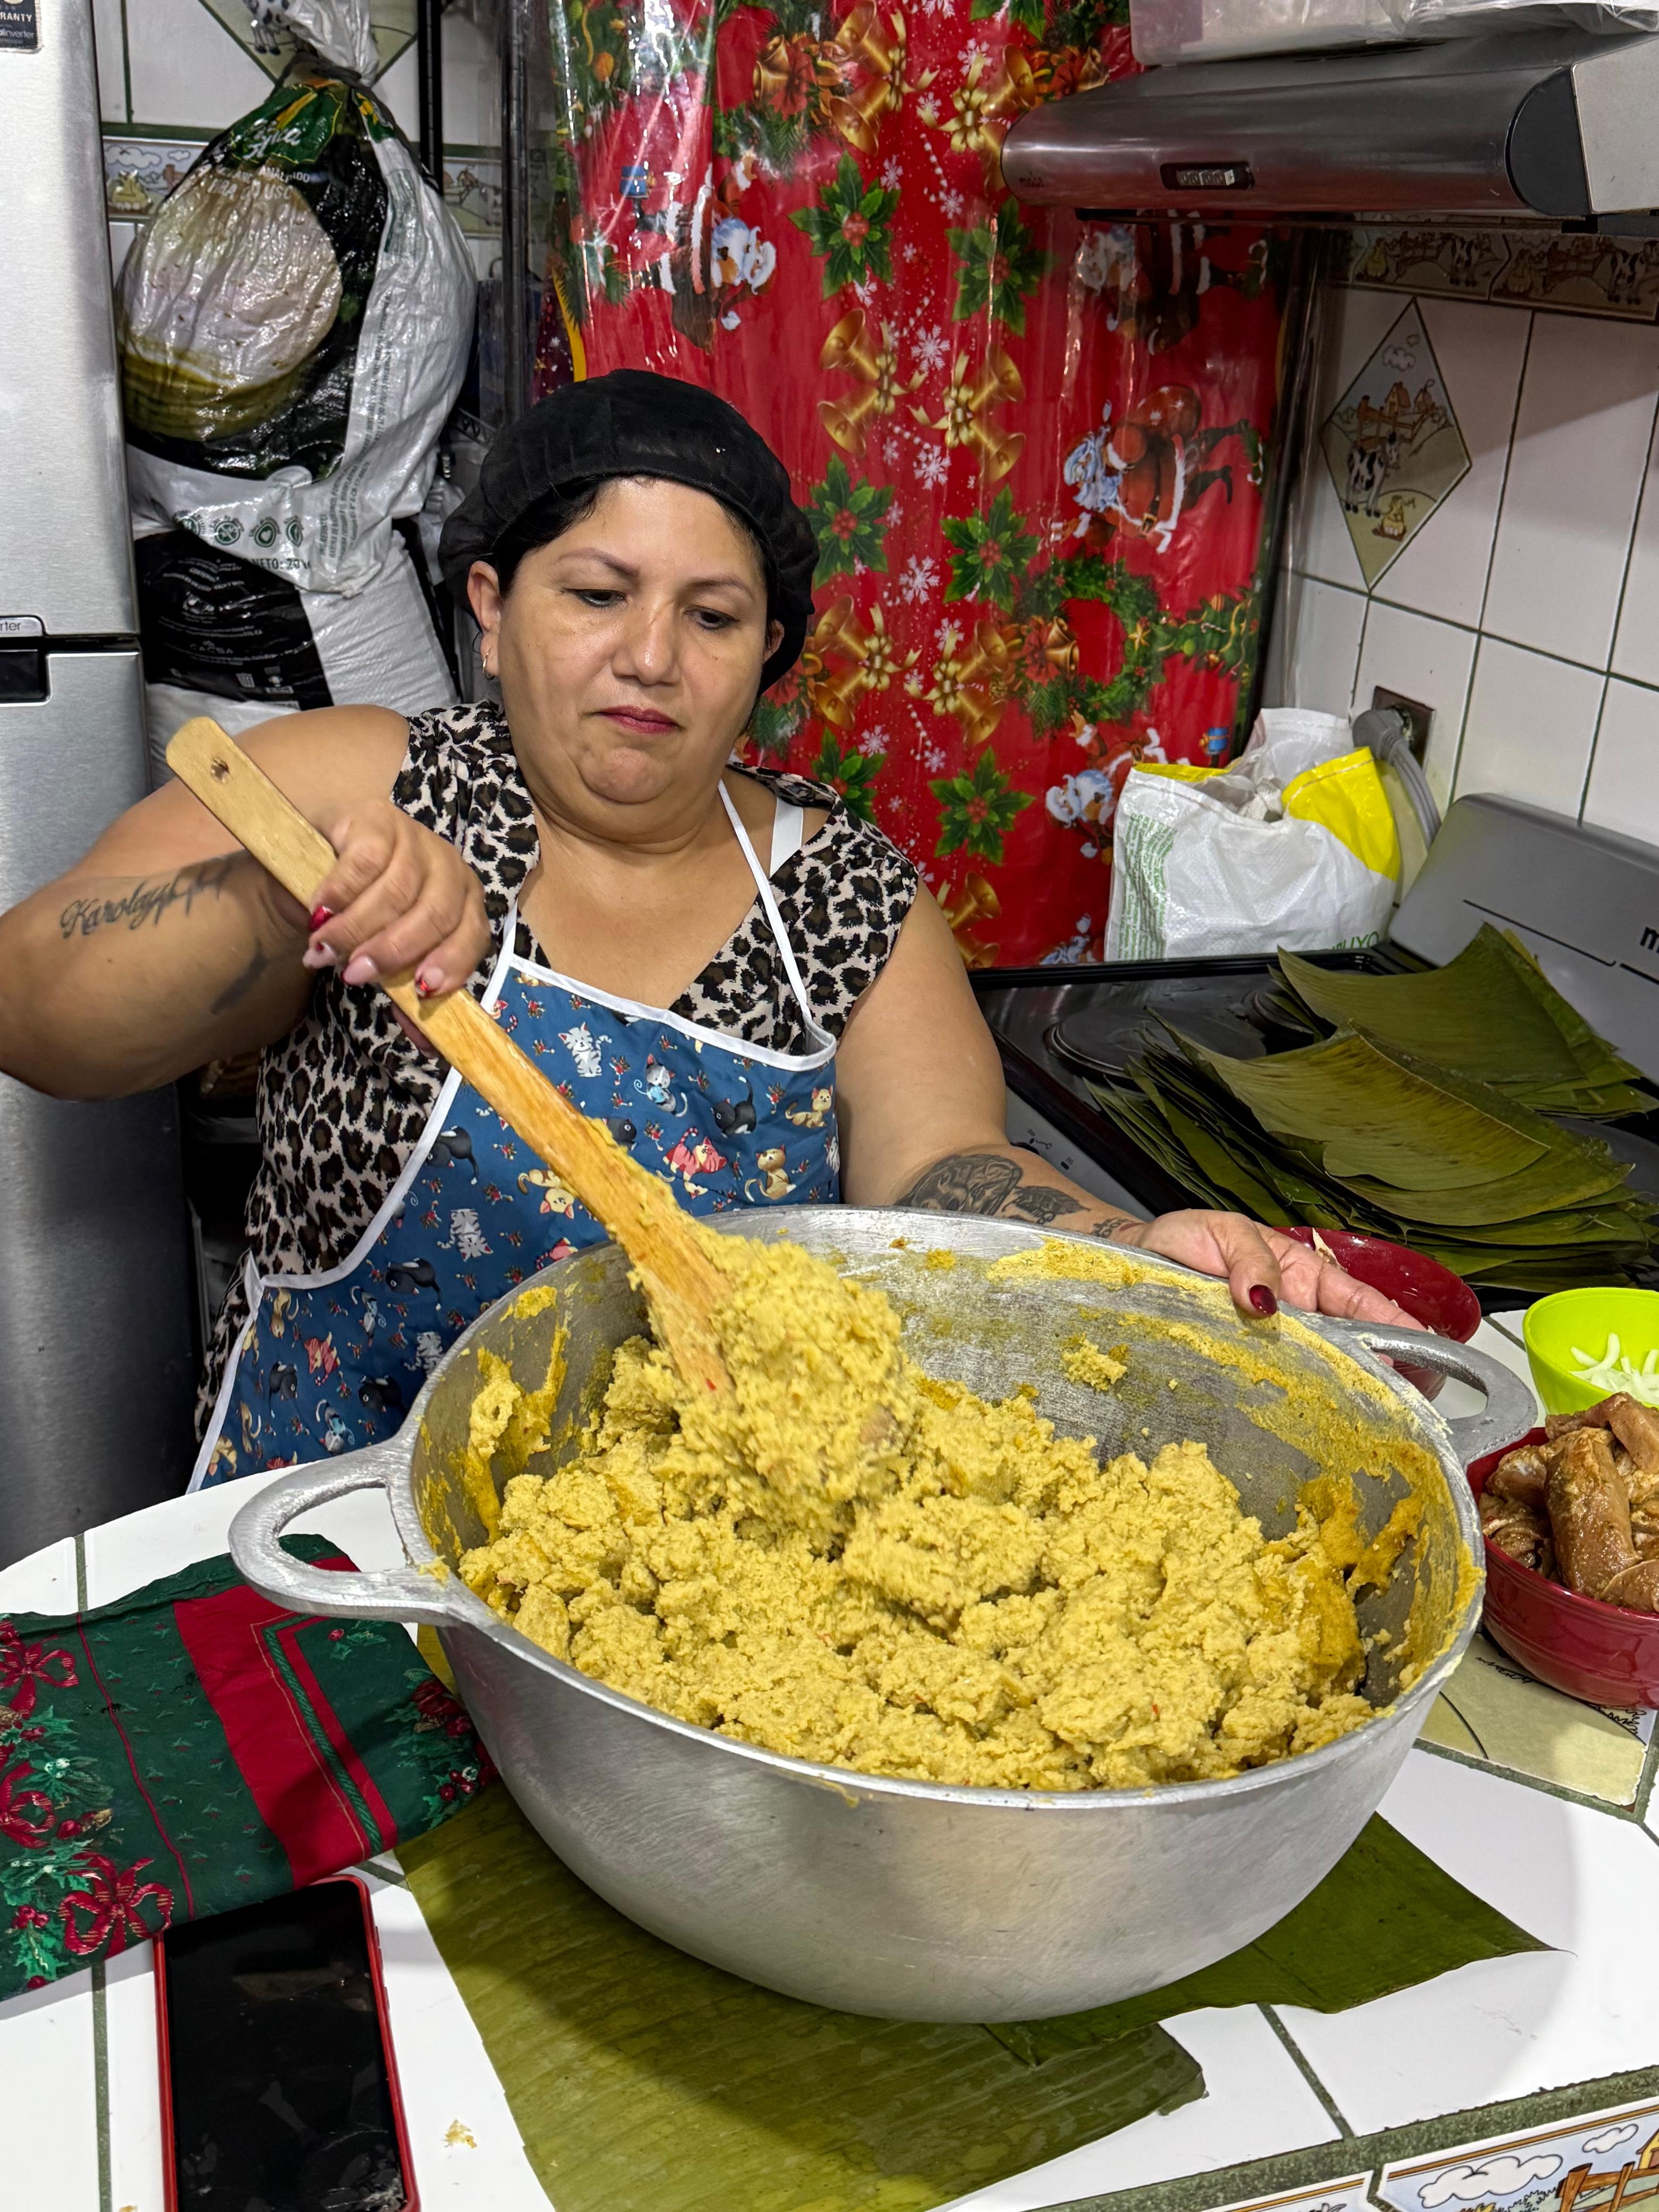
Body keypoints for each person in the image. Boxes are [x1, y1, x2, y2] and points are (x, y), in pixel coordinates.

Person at [0, 370, 1412, 1486]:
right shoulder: (364, 782)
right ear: (493, 610)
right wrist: (289, 895)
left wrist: (1130, 1251)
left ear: (764, 662)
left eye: (714, 616)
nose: (651, 657)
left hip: (675, 1548)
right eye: (597, 595)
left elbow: (946, 1175)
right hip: (319, 1528)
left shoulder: (849, 903)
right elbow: (39, 1012)